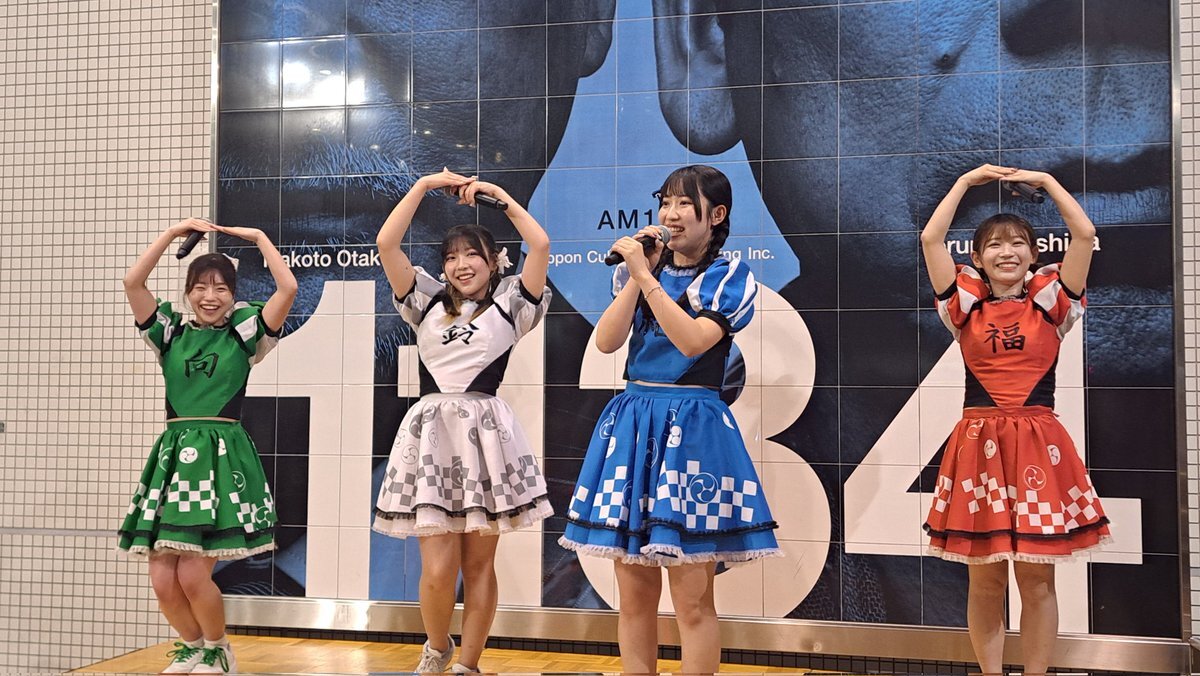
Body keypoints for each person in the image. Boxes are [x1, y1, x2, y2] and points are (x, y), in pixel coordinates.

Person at [559, 165, 780, 674]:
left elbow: (693, 341)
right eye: (665, 203)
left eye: (684, 203)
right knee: (634, 596)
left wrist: (644, 276)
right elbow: (607, 341)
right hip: (634, 421)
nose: (670, 214)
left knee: (692, 599)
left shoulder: (729, 276)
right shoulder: (643, 272)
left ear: (716, 214)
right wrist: (641, 274)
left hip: (694, 425)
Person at [920, 165, 1110, 676]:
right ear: (977, 258)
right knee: (984, 582)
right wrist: (965, 183)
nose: (1007, 252)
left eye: (1018, 243)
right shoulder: (962, 307)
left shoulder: (1054, 305)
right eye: (995, 245)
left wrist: (1046, 181)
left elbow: (1084, 234)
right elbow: (931, 238)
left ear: (1033, 254)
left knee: (1037, 580)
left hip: (1038, 447)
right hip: (978, 446)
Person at [372, 169, 553, 674]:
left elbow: (540, 244)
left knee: (478, 566)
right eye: (451, 257)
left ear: (493, 262)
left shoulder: (512, 303)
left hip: (485, 441)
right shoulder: (425, 302)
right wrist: (424, 186)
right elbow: (387, 243)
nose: (460, 264)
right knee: (436, 569)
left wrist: (498, 197)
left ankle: (467, 664)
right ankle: (437, 648)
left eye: (472, 254)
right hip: (431, 438)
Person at [118, 218, 298, 674]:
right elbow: (133, 282)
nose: (209, 296)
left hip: (219, 460)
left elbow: (288, 289)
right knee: (163, 579)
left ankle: (219, 650)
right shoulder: (170, 333)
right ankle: (194, 647)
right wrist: (172, 233)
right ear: (188, 292)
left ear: (233, 294)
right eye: (200, 287)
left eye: (220, 287)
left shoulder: (245, 335)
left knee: (194, 574)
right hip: (174, 460)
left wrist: (259, 238)